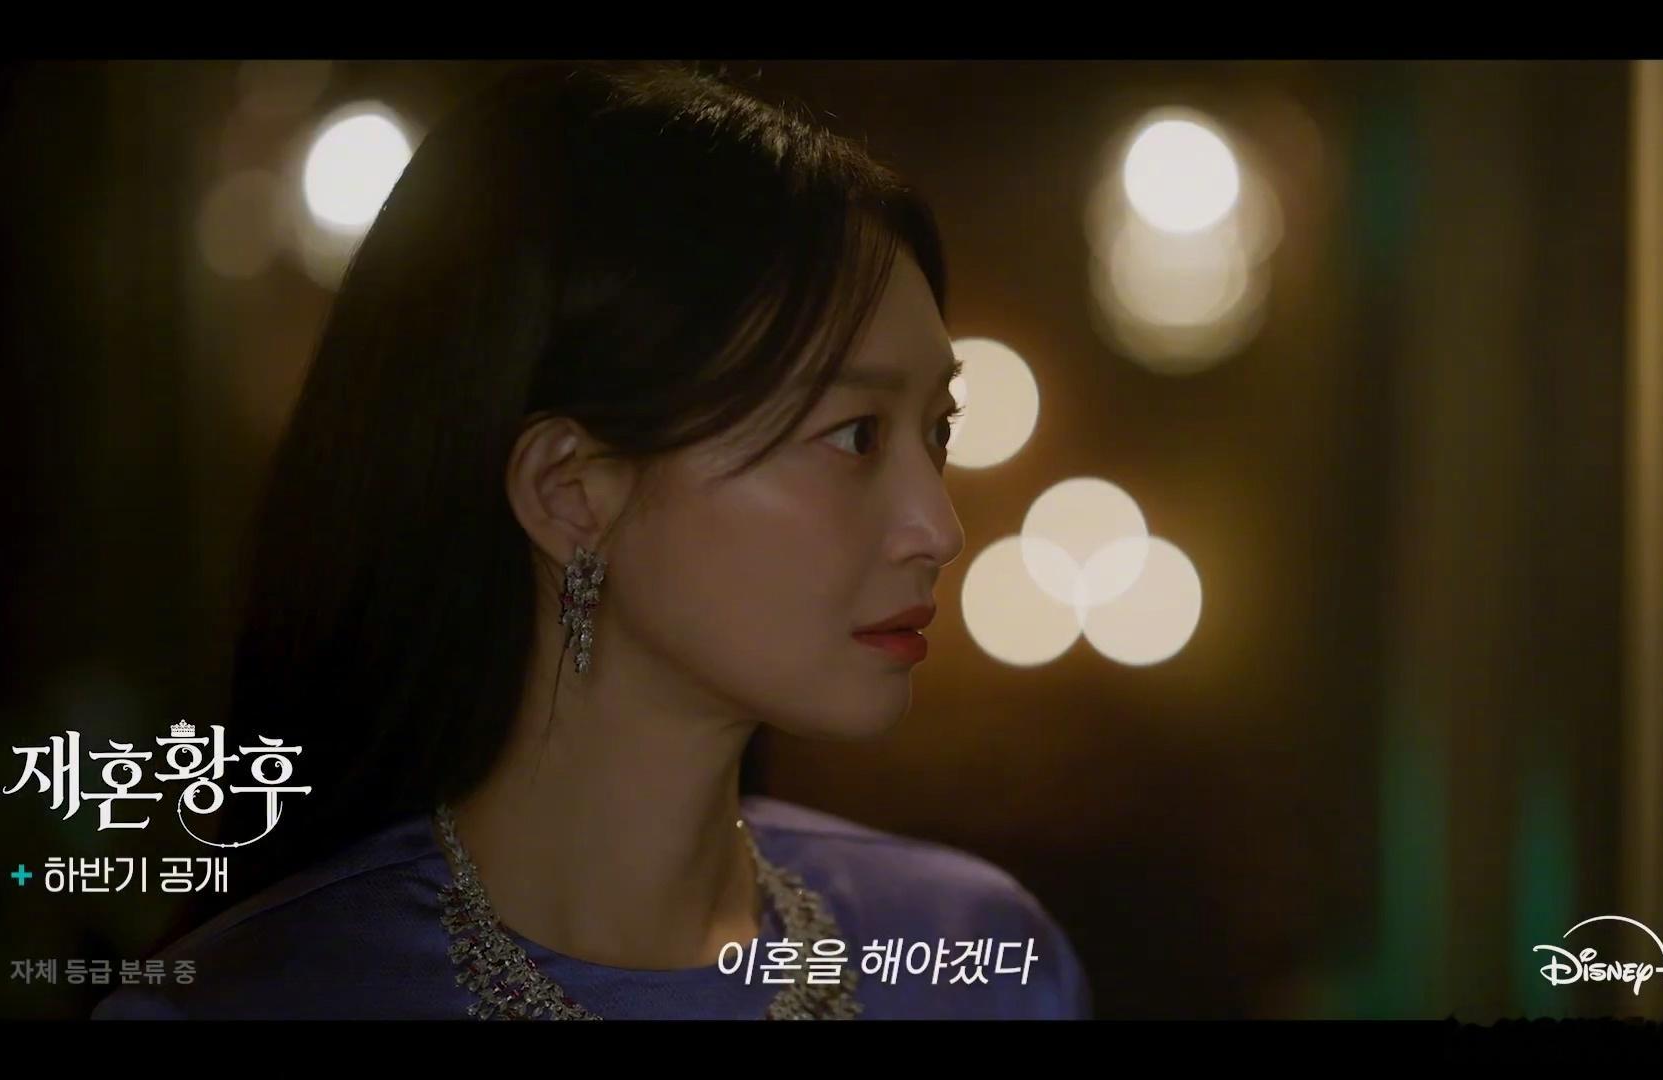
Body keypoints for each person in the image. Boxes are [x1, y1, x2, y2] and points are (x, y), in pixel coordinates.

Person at [93, 60, 1091, 1020]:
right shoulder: (262, 997)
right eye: (854, 435)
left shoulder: (981, 960)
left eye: (938, 432)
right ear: (569, 491)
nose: (939, 529)